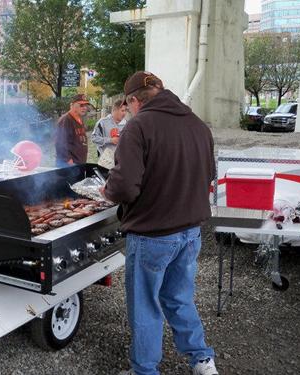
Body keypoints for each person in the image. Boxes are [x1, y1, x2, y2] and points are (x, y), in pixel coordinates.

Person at [101, 71, 217, 375]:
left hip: (152, 234)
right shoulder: (198, 125)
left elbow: (124, 187)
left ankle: (145, 370)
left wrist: (106, 191)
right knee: (179, 298)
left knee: (145, 307)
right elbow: (209, 176)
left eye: (128, 106)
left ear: (134, 101)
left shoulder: (138, 126)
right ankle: (203, 360)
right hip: (191, 232)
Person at [55, 94, 90, 167]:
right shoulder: (66, 120)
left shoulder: (80, 119)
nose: (84, 108)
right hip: (68, 165)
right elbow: (60, 143)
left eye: (85, 105)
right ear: (72, 105)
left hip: (79, 162)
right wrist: (68, 160)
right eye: (81, 105)